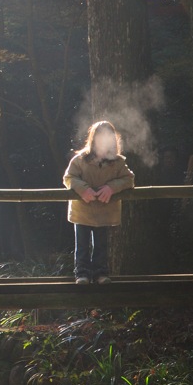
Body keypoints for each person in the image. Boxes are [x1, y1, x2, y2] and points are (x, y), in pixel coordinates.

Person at [63, 120, 135, 284]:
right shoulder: (80, 160)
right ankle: (82, 274)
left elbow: (128, 179)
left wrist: (111, 188)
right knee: (81, 245)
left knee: (101, 245)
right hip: (82, 211)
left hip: (105, 211)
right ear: (93, 139)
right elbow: (69, 177)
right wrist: (83, 189)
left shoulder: (117, 162)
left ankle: (100, 273)